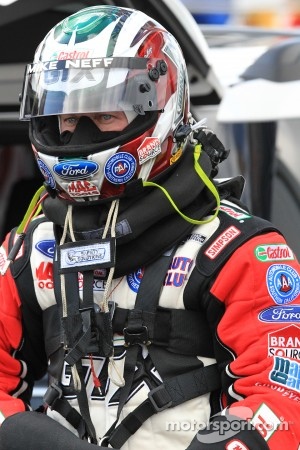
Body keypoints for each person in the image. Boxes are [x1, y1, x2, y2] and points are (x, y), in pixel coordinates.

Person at [0, 5, 299, 450]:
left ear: (158, 110)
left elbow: (279, 396)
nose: (77, 136)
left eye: (103, 116)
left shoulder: (237, 250)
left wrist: (215, 444)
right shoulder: (33, 246)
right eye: (66, 117)